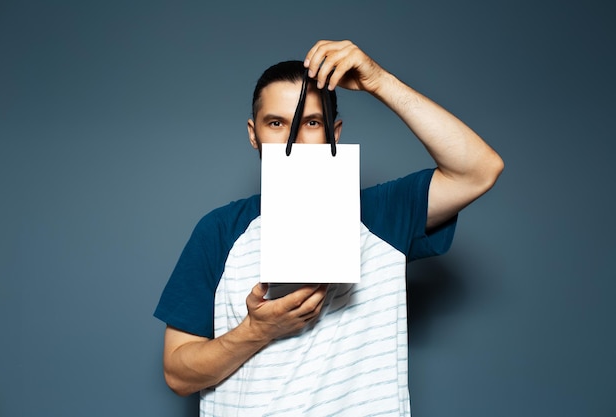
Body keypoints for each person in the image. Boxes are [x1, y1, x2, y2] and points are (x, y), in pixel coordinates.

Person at [154, 40, 504, 416]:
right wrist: (256, 331)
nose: (294, 140)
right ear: (253, 134)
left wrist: (378, 80)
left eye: (311, 122)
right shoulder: (220, 231)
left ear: (334, 133)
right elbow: (178, 375)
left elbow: (479, 170)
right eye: (276, 124)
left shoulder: (381, 215)